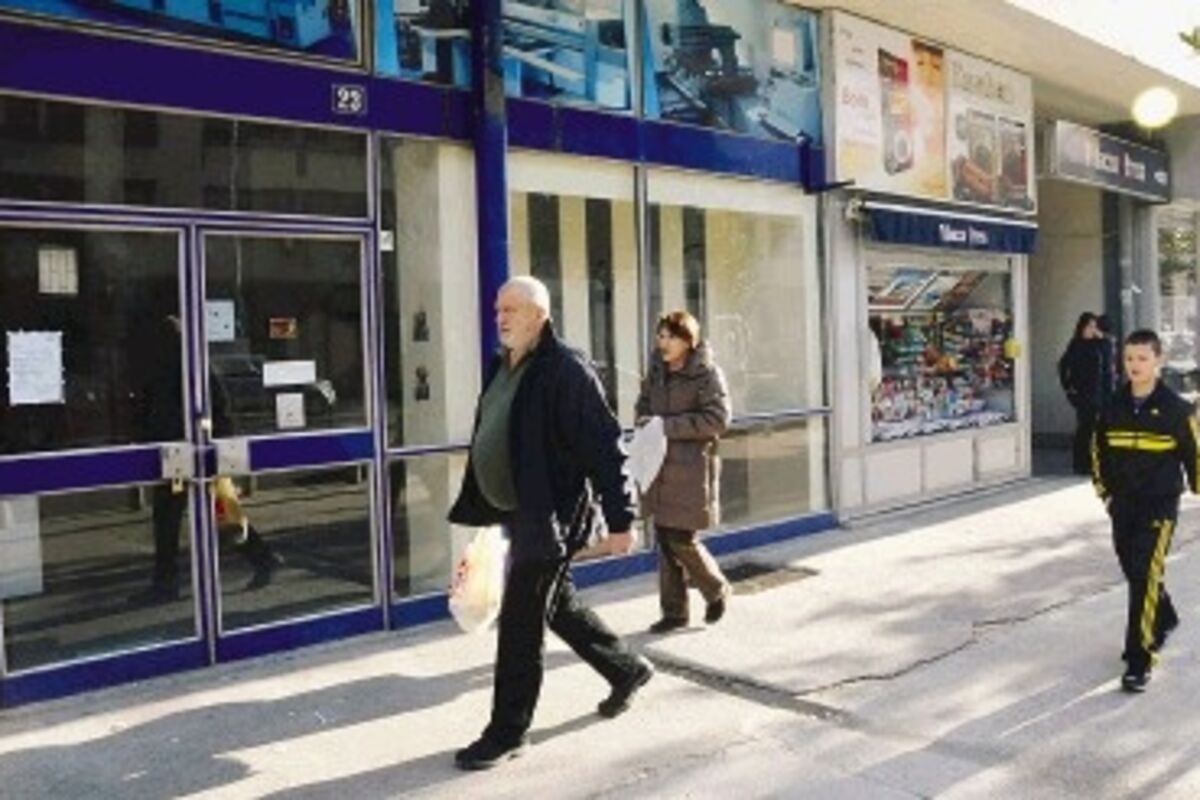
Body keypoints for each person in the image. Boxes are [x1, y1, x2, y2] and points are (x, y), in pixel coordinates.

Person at [448, 276, 654, 770]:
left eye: (512, 309)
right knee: (557, 604)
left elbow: (606, 448)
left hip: (548, 520)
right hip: (512, 514)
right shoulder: (502, 365)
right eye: (498, 309)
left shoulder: (566, 370)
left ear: (540, 315)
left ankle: (507, 732)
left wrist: (622, 520)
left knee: (521, 624)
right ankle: (626, 669)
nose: (501, 318)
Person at [129, 313, 280, 604]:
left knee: (178, 517)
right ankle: (262, 557)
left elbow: (212, 408)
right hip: (184, 455)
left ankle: (167, 583)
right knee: (211, 513)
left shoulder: (185, 368)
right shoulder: (183, 367)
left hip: (188, 456)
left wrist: (217, 449)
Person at [1091, 329, 1197, 692]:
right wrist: (1106, 494)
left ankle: (1140, 659)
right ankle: (1163, 614)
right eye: (1129, 358)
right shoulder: (1111, 406)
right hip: (1122, 505)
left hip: (1159, 506)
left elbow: (1194, 455)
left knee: (1144, 577)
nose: (1134, 365)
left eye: (1142, 358)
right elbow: (1097, 452)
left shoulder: (1177, 410)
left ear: (1158, 361)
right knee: (1134, 569)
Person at [635, 310, 732, 634]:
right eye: (660, 336)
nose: (663, 343)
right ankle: (674, 612)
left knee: (680, 538)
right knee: (664, 538)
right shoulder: (656, 371)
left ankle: (715, 588)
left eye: (670, 337)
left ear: (688, 341)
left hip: (691, 469)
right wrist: (645, 422)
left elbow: (717, 419)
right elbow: (644, 405)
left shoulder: (706, 374)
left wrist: (666, 427)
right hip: (658, 466)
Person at [1058, 312, 1105, 475]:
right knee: (1085, 428)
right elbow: (1063, 366)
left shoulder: (1097, 344)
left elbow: (1109, 358)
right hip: (1082, 392)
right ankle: (1081, 463)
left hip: (1098, 391)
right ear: (1082, 327)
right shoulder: (1076, 344)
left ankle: (1093, 462)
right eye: (1089, 326)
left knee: (1096, 429)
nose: (1092, 330)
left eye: (1094, 327)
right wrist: (1068, 387)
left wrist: (1101, 338)